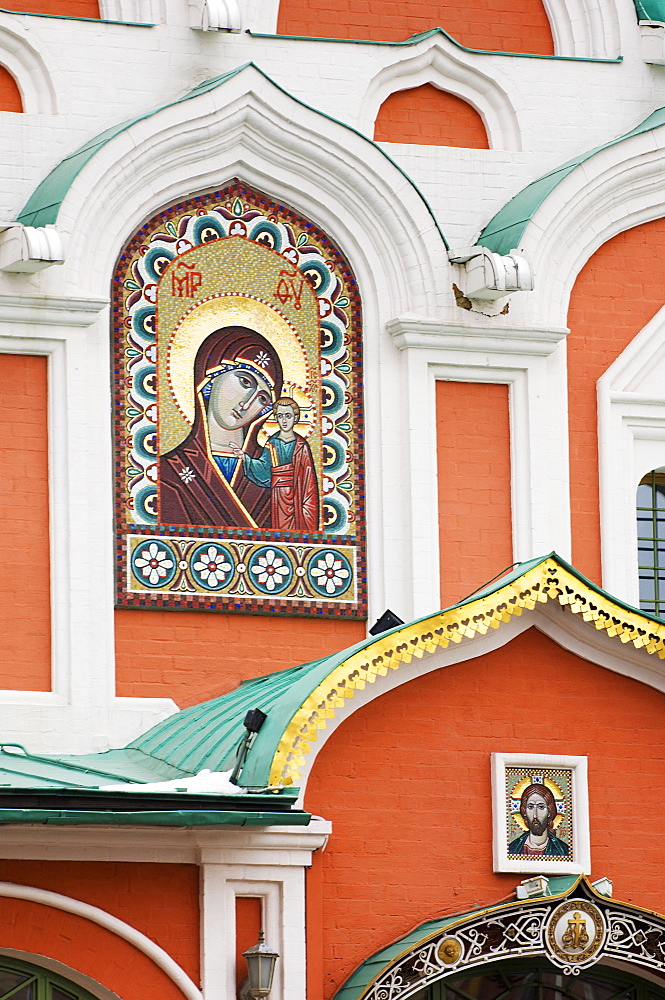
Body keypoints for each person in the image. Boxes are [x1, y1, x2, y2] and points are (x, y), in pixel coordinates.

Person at [159, 326, 283, 528]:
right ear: (210, 377)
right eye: (244, 382)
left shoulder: (269, 471)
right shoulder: (170, 469)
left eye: (262, 398)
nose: (247, 404)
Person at [237, 396, 319, 531]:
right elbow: (264, 468)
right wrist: (245, 458)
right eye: (280, 416)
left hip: (298, 493)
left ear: (295, 418)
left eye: (288, 415)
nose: (284, 420)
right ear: (276, 418)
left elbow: (308, 479)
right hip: (278, 494)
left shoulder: (301, 445)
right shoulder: (272, 443)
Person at [508, 783, 569, 857]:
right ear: (524, 812)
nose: (535, 815)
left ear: (549, 812)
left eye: (541, 807)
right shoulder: (513, 848)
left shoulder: (562, 850)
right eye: (530, 807)